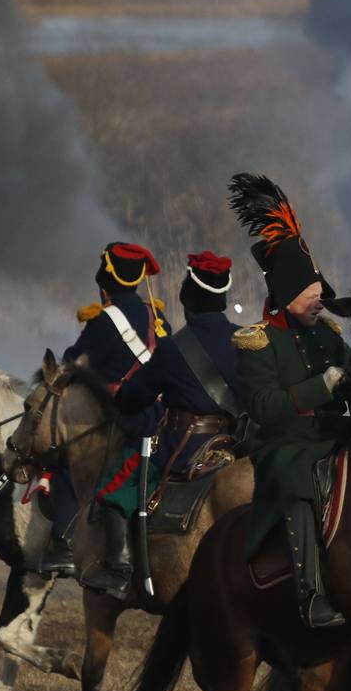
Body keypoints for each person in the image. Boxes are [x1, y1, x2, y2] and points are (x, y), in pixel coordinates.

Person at [86, 251, 247, 597]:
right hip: (231, 443)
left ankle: (118, 566)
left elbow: (132, 398)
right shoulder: (244, 340)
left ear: (188, 298)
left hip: (183, 447)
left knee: (118, 485)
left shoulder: (174, 349)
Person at [228, 173, 350, 627]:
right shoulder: (259, 341)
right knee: (299, 473)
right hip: (284, 444)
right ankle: (311, 593)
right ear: (286, 294)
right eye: (311, 293)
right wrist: (323, 386)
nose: (321, 300)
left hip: (332, 434)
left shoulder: (330, 335)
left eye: (320, 292)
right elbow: (263, 408)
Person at [37, 242, 166, 578]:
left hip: (119, 418)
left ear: (105, 285)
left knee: (64, 462)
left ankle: (62, 545)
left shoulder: (103, 321)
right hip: (160, 416)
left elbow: (72, 363)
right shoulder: (158, 315)